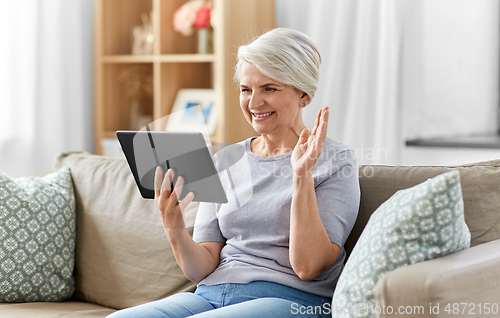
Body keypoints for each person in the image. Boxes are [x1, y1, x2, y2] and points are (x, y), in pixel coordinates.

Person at [107, 28, 360, 318]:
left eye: (269, 89)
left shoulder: (336, 160)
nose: (253, 103)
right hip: (211, 294)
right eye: (245, 89)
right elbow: (202, 268)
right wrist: (173, 226)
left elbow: (308, 267)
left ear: (304, 94)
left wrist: (301, 177)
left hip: (291, 299)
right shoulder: (226, 159)